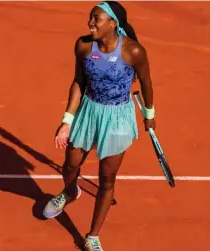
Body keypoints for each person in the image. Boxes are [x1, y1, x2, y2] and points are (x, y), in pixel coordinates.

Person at [42, 1, 156, 250]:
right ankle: (70, 191)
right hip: (89, 111)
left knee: (107, 179)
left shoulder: (134, 52)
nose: (90, 23)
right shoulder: (83, 46)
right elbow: (78, 82)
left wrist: (149, 113)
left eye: (96, 18)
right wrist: (66, 121)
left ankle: (92, 235)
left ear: (113, 23)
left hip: (118, 119)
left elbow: (146, 83)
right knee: (71, 164)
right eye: (90, 17)